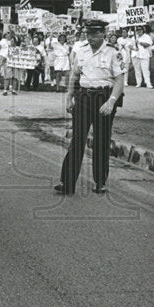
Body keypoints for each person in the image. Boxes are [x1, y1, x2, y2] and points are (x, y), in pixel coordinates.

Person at [55, 19, 126, 194]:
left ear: (103, 33)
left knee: (101, 141)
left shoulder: (113, 52)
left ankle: (100, 182)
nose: (91, 37)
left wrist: (111, 101)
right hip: (84, 97)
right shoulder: (81, 51)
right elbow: (74, 75)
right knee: (77, 140)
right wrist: (69, 97)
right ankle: (67, 183)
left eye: (94, 33)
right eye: (88, 33)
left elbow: (119, 79)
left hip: (104, 98)